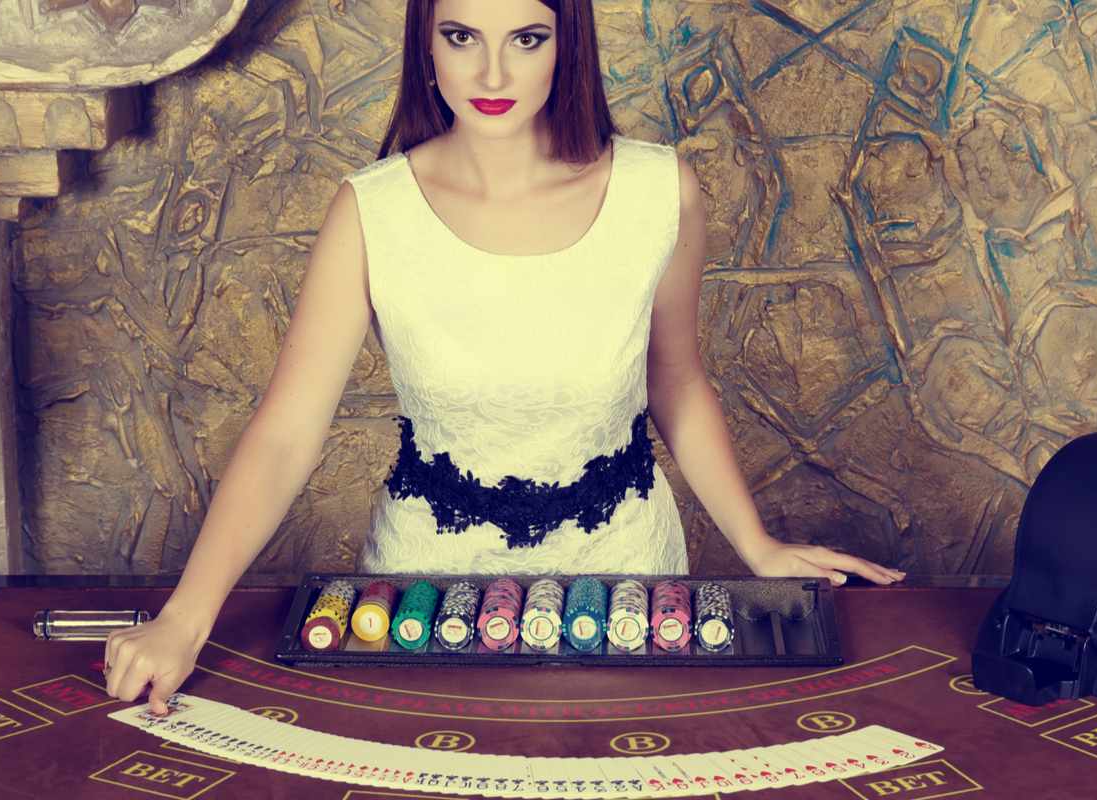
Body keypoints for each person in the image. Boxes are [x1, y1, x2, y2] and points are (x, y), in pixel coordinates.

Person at [104, 0, 906, 716]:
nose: (491, 72)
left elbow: (676, 379)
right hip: (424, 589)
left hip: (625, 574)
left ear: (567, 42)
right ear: (427, 41)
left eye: (526, 37)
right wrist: (184, 618)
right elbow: (286, 432)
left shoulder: (661, 190)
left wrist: (757, 545)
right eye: (461, 36)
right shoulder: (370, 210)